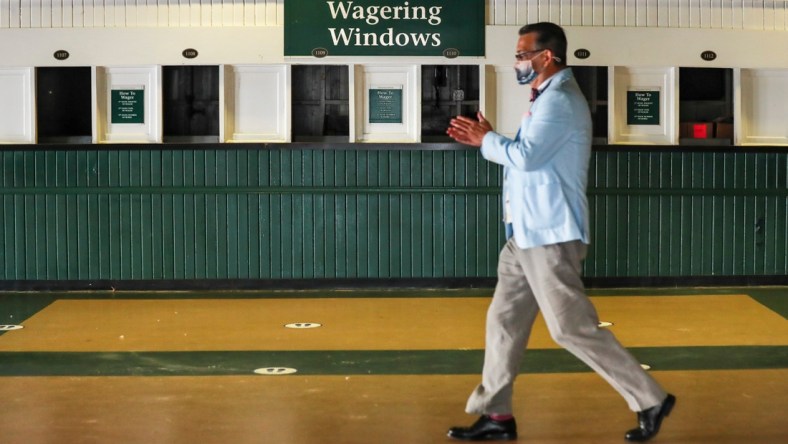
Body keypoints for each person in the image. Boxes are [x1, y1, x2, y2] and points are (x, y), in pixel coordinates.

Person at [445, 22, 675, 442]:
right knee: (504, 321)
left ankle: (650, 398)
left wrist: (486, 139)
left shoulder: (561, 101)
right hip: (525, 233)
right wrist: (492, 138)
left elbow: (527, 158)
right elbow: (527, 156)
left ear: (546, 56)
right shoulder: (544, 99)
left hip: (550, 234)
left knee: (570, 327)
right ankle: (496, 416)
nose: (517, 61)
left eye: (521, 54)